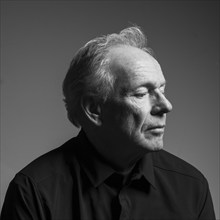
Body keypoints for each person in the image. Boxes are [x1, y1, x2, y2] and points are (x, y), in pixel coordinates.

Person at [0, 26, 216, 220]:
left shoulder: (192, 187)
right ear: (94, 109)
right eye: (141, 93)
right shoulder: (33, 191)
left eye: (162, 90)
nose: (166, 105)